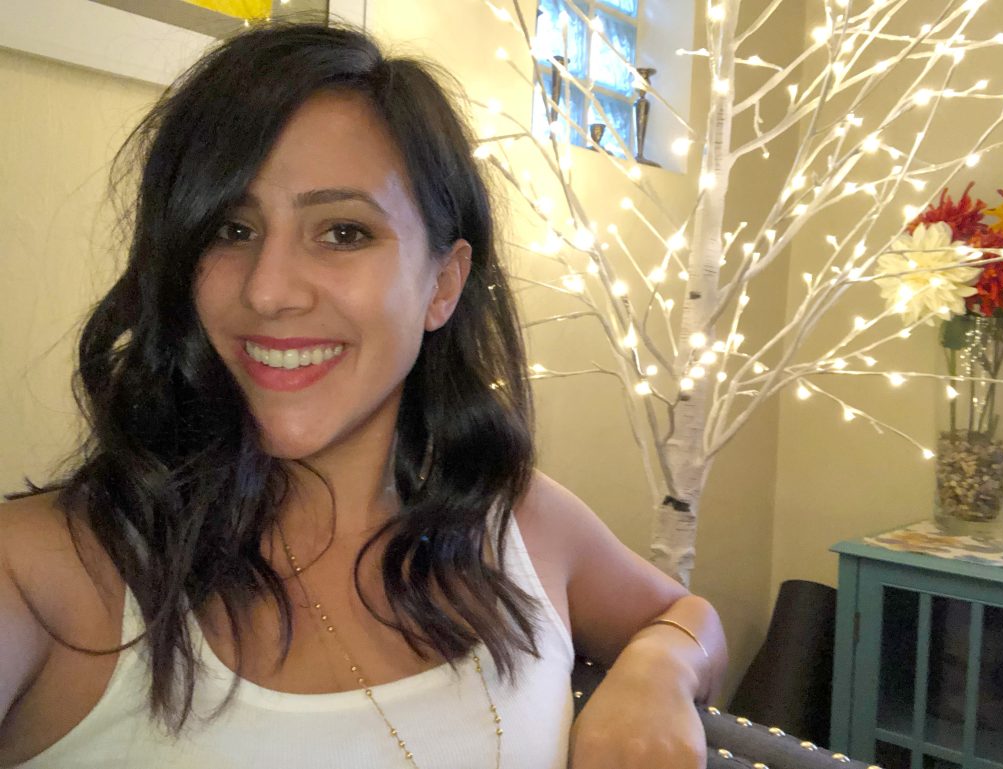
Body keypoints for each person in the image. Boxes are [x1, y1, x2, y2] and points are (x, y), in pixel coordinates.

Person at [0, 21, 726, 769]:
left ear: (443, 282)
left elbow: (684, 612)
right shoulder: (48, 571)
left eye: (343, 231)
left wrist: (658, 670)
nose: (269, 289)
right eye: (231, 227)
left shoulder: (516, 516)